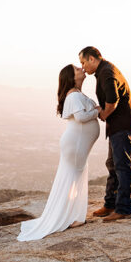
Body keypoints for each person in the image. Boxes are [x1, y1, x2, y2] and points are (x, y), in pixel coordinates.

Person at [17, 64, 101, 241]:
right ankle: (69, 217)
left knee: (75, 177)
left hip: (77, 144)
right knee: (72, 177)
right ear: (71, 76)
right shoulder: (74, 95)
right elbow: (81, 117)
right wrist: (98, 110)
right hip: (75, 144)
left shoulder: (76, 94)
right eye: (78, 69)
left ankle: (72, 216)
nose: (82, 69)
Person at [80, 46, 131, 222]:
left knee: (122, 166)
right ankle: (110, 204)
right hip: (118, 126)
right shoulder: (104, 70)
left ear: (92, 58)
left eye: (83, 62)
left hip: (123, 125)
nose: (83, 67)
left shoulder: (106, 72)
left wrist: (103, 115)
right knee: (112, 164)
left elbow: (112, 101)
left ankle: (124, 209)